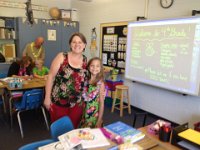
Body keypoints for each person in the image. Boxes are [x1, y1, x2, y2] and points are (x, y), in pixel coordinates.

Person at [44, 32, 88, 128]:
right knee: (60, 130)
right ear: (70, 44)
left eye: (80, 42)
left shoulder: (85, 61)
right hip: (59, 101)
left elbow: (86, 81)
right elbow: (50, 76)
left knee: (73, 129)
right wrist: (47, 97)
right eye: (74, 42)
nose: (77, 45)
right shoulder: (62, 57)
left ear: (84, 45)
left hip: (77, 103)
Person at [79, 57, 105, 128]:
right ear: (88, 67)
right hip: (83, 112)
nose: (94, 68)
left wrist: (99, 120)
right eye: (92, 65)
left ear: (100, 68)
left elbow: (101, 103)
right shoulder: (85, 80)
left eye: (97, 66)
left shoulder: (100, 83)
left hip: (94, 114)